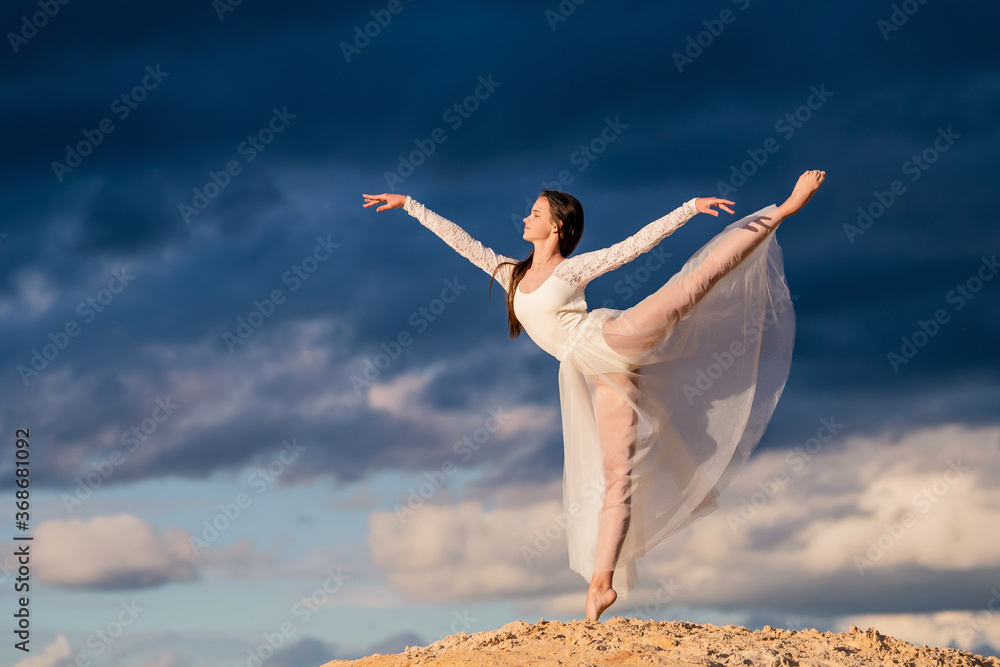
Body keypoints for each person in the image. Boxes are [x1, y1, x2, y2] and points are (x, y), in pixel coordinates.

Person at [362, 170, 825, 621]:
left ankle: (785, 208)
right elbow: (463, 243)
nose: (525, 218)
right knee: (616, 477)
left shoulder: (573, 269)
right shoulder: (511, 273)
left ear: (556, 225)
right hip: (595, 372)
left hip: (610, 339)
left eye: (535, 212)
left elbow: (635, 246)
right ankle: (601, 587)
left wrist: (689, 208)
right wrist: (411, 206)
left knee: (687, 288)